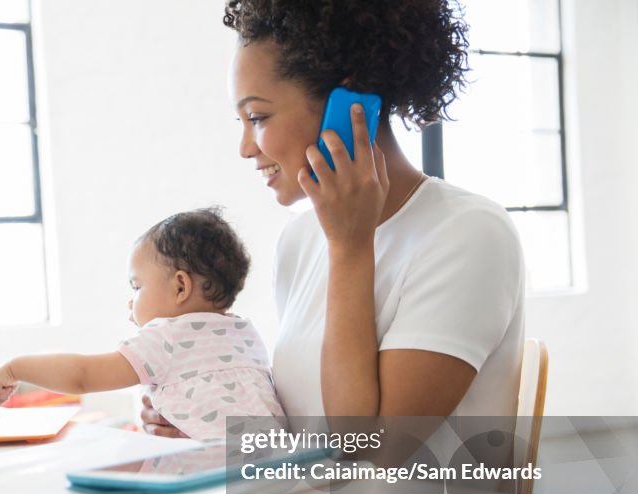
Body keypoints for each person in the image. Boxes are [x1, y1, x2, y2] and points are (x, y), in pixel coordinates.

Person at [143, 0, 525, 437]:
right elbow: (308, 434)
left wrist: (349, 247)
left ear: (350, 105)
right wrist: (206, 425)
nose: (245, 148)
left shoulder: (469, 234)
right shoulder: (300, 239)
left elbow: (373, 449)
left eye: (258, 117)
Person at [0, 208, 284, 441]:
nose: (131, 302)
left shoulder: (166, 337)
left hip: (210, 473)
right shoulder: (245, 335)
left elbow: (82, 376)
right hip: (274, 465)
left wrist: (15, 367)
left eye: (137, 288)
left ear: (180, 287)